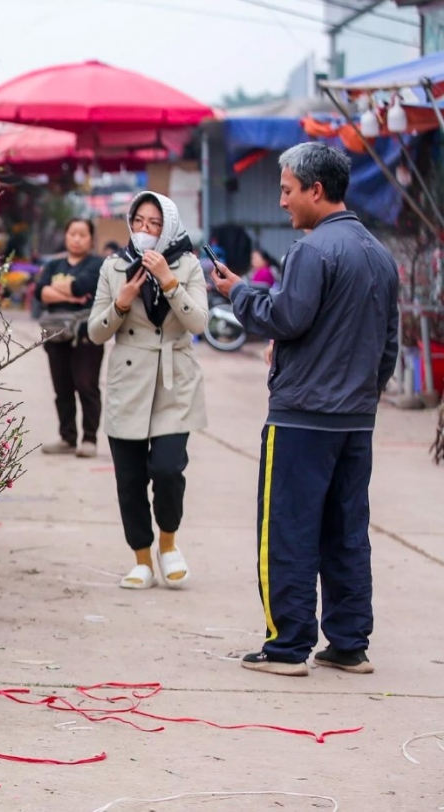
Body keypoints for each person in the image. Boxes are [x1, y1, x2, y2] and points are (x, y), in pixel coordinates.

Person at [211, 142, 399, 677]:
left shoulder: (314, 251)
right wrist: (364, 396)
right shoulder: (379, 255)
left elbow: (287, 317)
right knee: (345, 531)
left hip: (301, 418)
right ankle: (348, 643)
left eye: (288, 191)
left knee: (288, 531)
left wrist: (240, 292)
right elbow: (388, 344)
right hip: (355, 421)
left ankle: (287, 645)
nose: (283, 203)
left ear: (317, 190)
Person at [88, 192, 209, 590]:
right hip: (129, 380)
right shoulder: (114, 266)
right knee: (130, 478)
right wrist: (121, 303)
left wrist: (170, 282)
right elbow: (95, 332)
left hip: (175, 381)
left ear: (168, 227)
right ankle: (141, 557)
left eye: (154, 224)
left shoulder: (189, 265)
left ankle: (169, 544)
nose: (144, 230)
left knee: (168, 469)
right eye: (138, 221)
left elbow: (199, 323)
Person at [37, 218, 104, 457]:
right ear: (65, 236)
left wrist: (60, 289)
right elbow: (40, 292)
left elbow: (83, 286)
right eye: (72, 233)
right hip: (55, 333)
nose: (76, 238)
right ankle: (67, 437)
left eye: (82, 234)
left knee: (87, 385)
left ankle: (89, 438)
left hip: (86, 334)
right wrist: (71, 293)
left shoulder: (98, 264)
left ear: (91, 238)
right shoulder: (55, 264)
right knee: (61, 387)